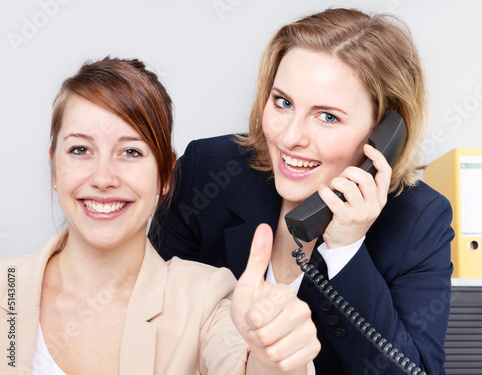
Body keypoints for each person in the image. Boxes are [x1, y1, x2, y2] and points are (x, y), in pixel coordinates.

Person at [149, 7, 454, 375]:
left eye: (327, 116)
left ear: (384, 134)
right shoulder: (207, 172)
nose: (290, 138)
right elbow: (147, 324)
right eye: (283, 102)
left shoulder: (419, 222)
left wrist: (346, 252)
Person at [0, 57, 320, 374]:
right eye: (80, 150)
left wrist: (270, 360)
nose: (103, 178)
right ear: (55, 166)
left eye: (131, 152)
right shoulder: (7, 285)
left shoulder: (206, 298)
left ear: (165, 174)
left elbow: (241, 363)